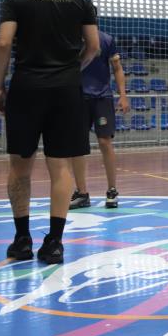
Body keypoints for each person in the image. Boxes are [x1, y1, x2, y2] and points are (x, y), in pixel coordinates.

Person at [0, 0, 100, 265]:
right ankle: (54, 243)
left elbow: (3, 43)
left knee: (19, 166)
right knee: (61, 167)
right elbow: (93, 47)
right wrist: (71, 69)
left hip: (26, 87)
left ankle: (22, 240)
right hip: (66, 90)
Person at [70, 30, 130, 210]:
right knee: (77, 145)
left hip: (102, 98)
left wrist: (123, 95)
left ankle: (112, 191)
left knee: (105, 142)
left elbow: (117, 68)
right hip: (78, 98)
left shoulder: (106, 39)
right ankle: (82, 193)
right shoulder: (71, 37)